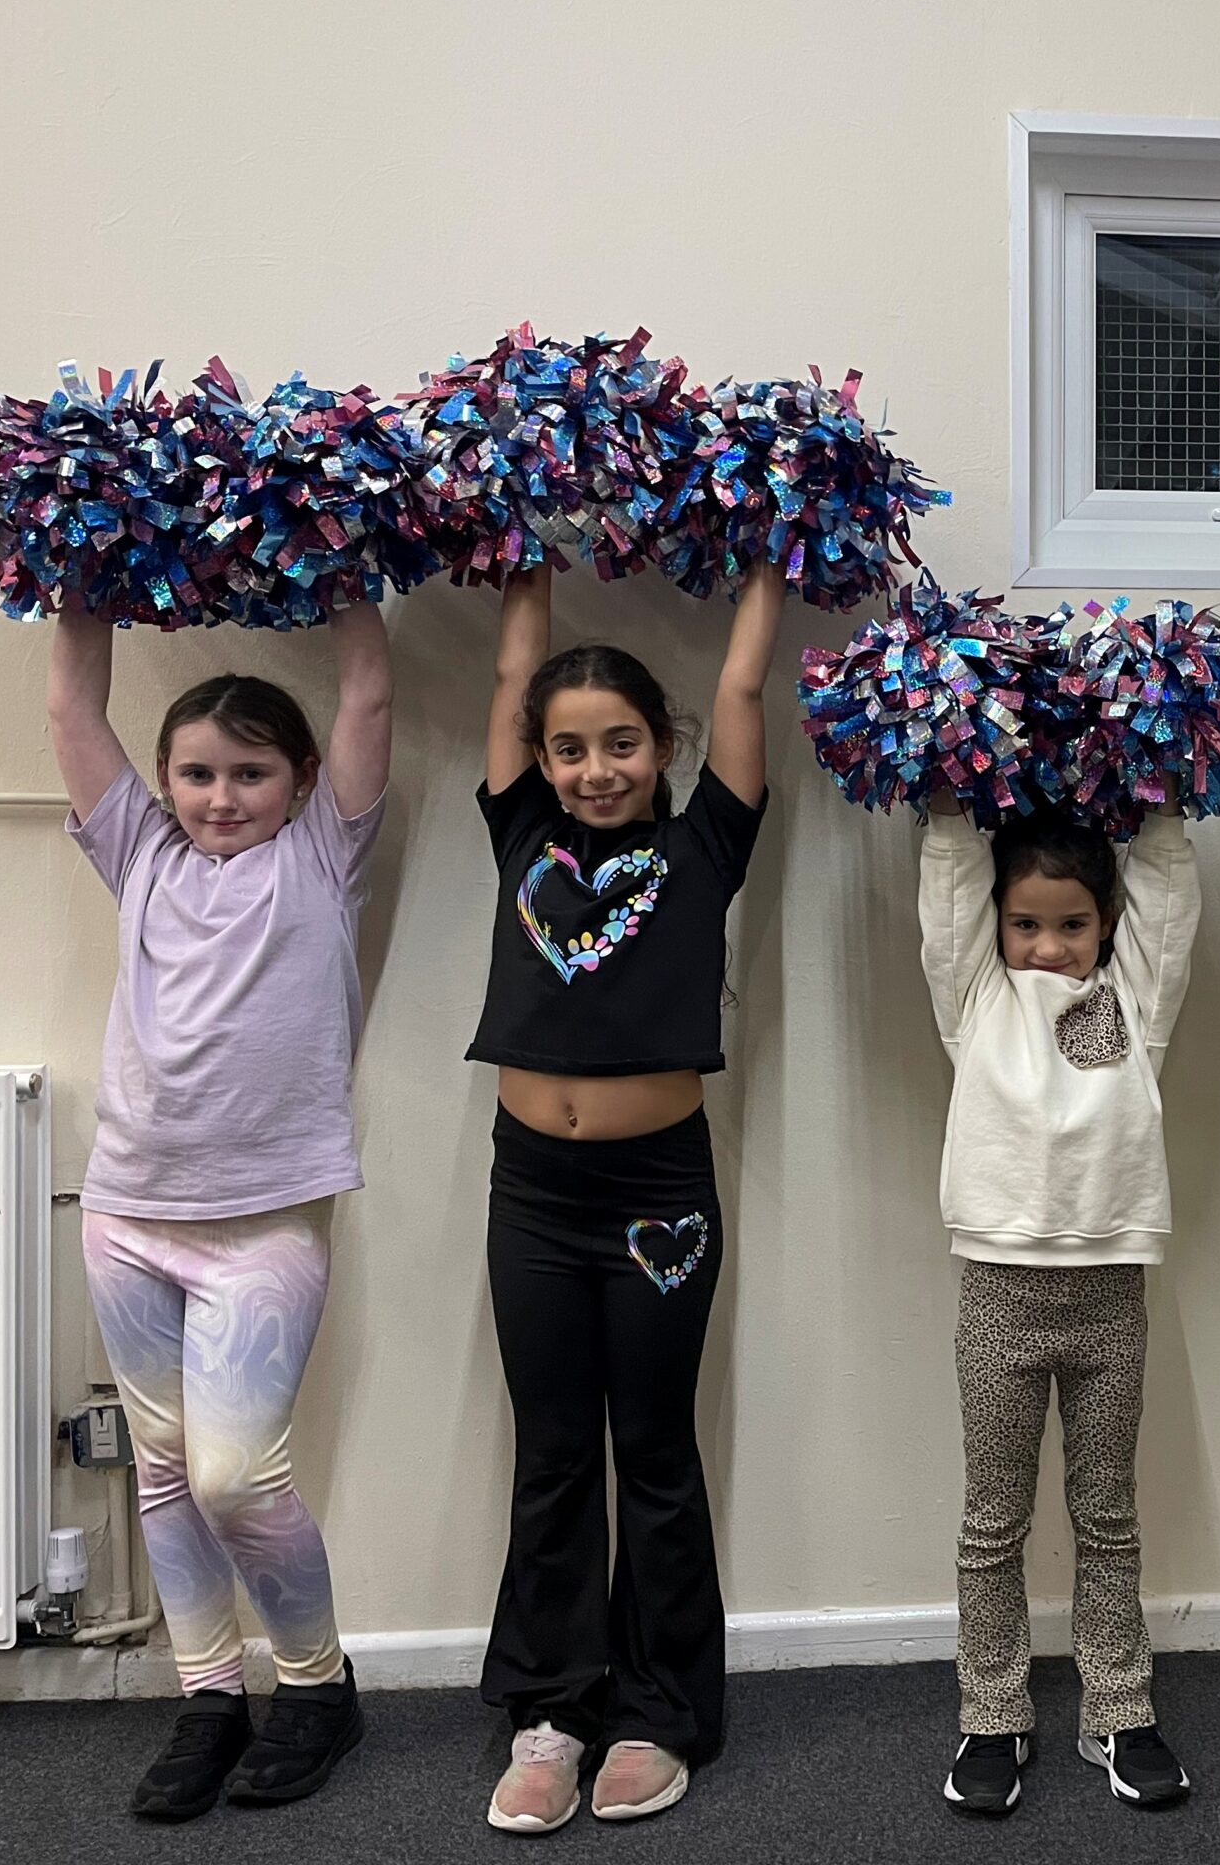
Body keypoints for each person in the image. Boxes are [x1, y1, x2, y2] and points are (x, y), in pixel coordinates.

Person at [52, 599, 393, 1820]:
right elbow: (72, 709)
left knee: (237, 1474)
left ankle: (316, 1687)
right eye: (196, 773)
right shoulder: (139, 854)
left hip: (265, 1222)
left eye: (251, 773)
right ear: (164, 783)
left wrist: (344, 564)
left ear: (300, 781)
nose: (221, 796)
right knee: (163, 1470)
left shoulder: (323, 855)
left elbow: (367, 696)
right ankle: (208, 1696)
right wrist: (77, 579)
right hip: (127, 1215)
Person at [471, 562, 785, 1833]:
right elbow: (513, 670)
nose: (595, 769)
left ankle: (657, 1711)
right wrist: (526, 541)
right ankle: (550, 1709)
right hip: (533, 1197)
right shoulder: (519, 832)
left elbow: (744, 682)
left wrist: (772, 549)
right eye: (569, 748)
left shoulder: (705, 842)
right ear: (539, 759)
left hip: (661, 1198)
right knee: (552, 1452)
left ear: (664, 746)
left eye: (620, 744)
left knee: (652, 1448)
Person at [921, 796, 1200, 1816]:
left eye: (1073, 924)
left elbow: (1166, 895)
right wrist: (946, 802)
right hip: (999, 1291)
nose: (1048, 946)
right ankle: (992, 1713)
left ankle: (1117, 1710)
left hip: (1110, 1294)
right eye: (1026, 924)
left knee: (1107, 1514)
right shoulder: (976, 1002)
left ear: (1107, 922)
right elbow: (950, 900)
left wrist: (1167, 800)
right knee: (992, 1522)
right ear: (996, 925)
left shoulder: (1134, 1001)